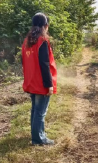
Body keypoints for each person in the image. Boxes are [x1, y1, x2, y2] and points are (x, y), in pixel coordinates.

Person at [22, 13, 57, 146]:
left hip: (31, 81)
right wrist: (49, 84)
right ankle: (38, 139)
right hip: (41, 83)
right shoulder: (42, 40)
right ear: (45, 26)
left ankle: (35, 134)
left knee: (35, 110)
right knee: (40, 112)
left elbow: (24, 62)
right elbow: (45, 64)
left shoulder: (27, 41)